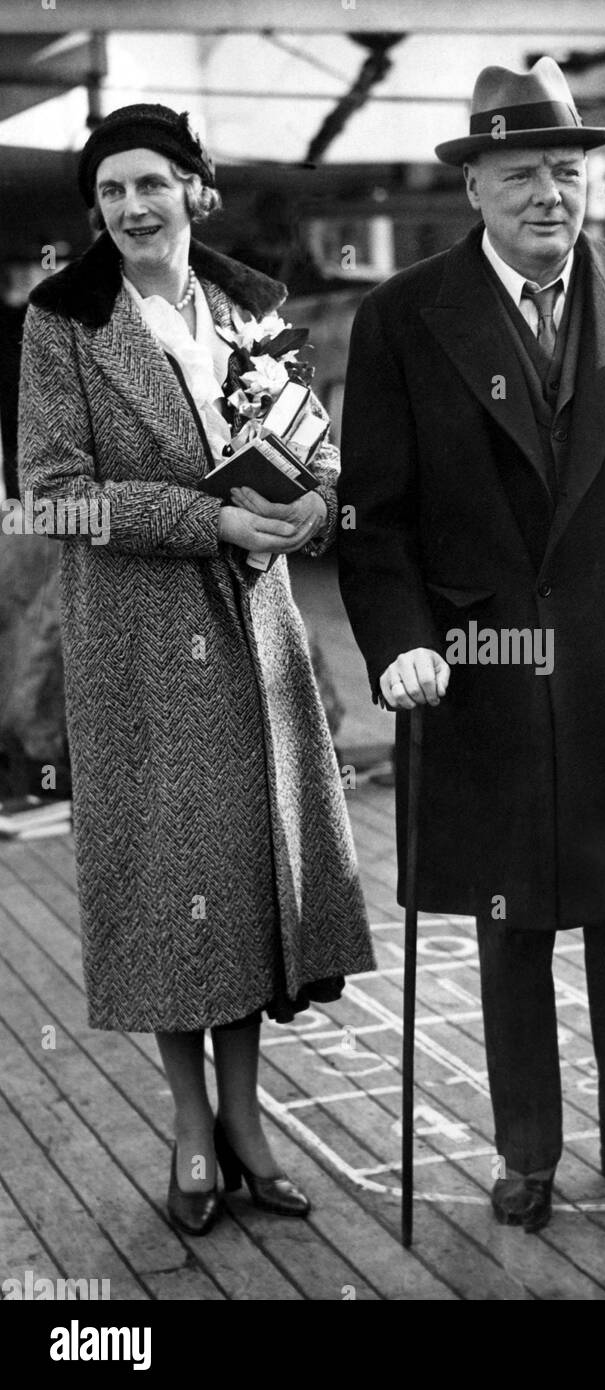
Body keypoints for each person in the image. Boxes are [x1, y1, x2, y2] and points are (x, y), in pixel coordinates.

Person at [337, 57, 605, 1234]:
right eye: (518, 172)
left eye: (565, 171)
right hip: (489, 662)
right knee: (512, 914)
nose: (547, 195)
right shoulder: (402, 316)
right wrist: (399, 646)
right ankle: (526, 1149)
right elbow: (375, 516)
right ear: (471, 185)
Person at [18, 104, 375, 1236]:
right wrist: (208, 520)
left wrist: (314, 497)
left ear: (194, 191)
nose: (131, 207)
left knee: (251, 876)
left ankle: (246, 1116)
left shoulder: (249, 303)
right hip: (138, 639)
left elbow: (310, 439)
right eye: (111, 190)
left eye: (151, 184)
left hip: (252, 633)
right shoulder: (62, 319)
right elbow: (55, 491)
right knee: (177, 889)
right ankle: (189, 1123)